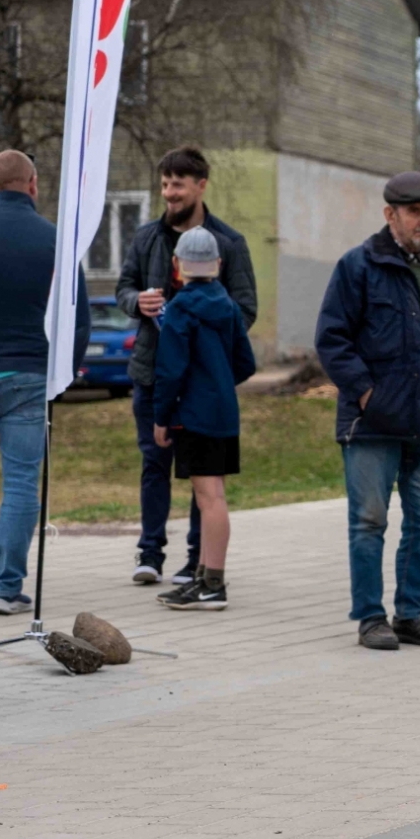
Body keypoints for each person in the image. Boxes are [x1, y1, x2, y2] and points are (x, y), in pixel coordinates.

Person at [315, 172, 420, 651]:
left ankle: (411, 614)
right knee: (369, 519)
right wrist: (366, 393)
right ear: (390, 214)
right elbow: (332, 338)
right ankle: (371, 618)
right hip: (373, 420)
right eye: (414, 212)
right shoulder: (358, 266)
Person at [116, 146, 257, 587]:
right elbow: (123, 288)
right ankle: (150, 553)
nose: (169, 193)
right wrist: (137, 303)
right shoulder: (146, 237)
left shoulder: (230, 243)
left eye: (177, 184)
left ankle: (198, 560)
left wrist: (200, 332)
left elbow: (245, 309)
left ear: (201, 185)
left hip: (202, 385)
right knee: (154, 463)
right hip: (150, 374)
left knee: (203, 474)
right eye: (164, 185)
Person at [0, 151, 89, 615]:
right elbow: (79, 319)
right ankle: (5, 586)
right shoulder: (55, 241)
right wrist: (63, 375)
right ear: (32, 184)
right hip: (28, 375)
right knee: (19, 484)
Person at [149, 229, 257, 610]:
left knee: (207, 497)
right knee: (216, 495)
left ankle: (212, 583)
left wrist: (162, 415)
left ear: (177, 267)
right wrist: (220, 384)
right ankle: (206, 577)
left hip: (193, 415)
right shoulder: (227, 306)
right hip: (223, 413)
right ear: (219, 265)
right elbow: (245, 362)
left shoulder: (178, 309)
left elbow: (171, 369)